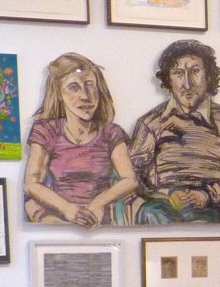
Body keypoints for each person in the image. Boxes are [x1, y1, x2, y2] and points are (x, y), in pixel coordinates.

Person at [127, 39, 220, 224]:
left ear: (209, 76)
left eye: (195, 71)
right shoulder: (151, 123)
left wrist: (208, 195)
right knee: (153, 215)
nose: (187, 84)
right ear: (168, 79)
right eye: (178, 73)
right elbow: (132, 173)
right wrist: (167, 194)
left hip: (211, 206)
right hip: (161, 204)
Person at [22, 53, 136, 227]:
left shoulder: (111, 132)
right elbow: (32, 183)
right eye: (74, 87)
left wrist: (98, 203)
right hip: (58, 215)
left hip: (98, 219)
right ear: (59, 93)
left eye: (90, 85)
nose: (85, 95)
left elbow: (130, 179)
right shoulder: (46, 130)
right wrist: (69, 210)